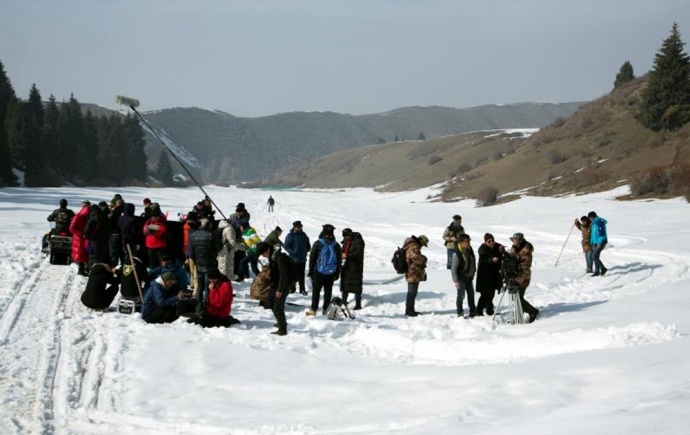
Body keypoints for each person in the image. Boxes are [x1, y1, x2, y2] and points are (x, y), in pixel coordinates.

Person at [258, 242, 296, 336]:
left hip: (283, 286)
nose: (263, 256)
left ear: (268, 250)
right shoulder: (273, 257)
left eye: (263, 253)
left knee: (277, 308)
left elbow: (283, 276)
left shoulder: (280, 258)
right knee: (269, 303)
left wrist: (280, 290)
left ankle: (282, 329)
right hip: (275, 284)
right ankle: (281, 321)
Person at [307, 224, 342, 316]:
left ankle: (313, 309)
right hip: (331, 273)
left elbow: (312, 258)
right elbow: (339, 260)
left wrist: (310, 271)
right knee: (328, 291)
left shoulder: (318, 243)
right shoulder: (336, 245)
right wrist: (337, 273)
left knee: (316, 291)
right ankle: (325, 309)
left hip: (318, 272)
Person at [188, 218, 220, 306]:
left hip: (198, 262)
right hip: (209, 263)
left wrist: (194, 260)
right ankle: (206, 304)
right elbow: (217, 248)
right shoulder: (211, 234)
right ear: (208, 225)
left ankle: (198, 303)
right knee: (207, 285)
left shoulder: (193, 234)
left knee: (199, 284)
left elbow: (191, 249)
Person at [508, 232, 539, 323]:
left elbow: (525, 266)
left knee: (518, 298)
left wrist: (518, 279)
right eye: (513, 240)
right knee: (516, 297)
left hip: (523, 277)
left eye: (514, 240)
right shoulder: (515, 247)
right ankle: (519, 315)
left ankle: (532, 311)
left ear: (519, 241)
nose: (513, 242)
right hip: (516, 276)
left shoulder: (526, 250)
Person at [475, 233, 503, 316]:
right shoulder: (483, 248)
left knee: (491, 294)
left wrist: (501, 247)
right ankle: (479, 310)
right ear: (485, 242)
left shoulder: (496, 246)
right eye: (489, 241)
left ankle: (489, 310)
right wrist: (491, 259)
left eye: (492, 240)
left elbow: (499, 246)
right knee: (484, 294)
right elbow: (484, 258)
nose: (491, 243)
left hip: (493, 275)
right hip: (484, 276)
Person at [450, 234, 477, 318]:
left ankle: (473, 311)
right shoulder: (456, 253)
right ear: (461, 242)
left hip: (468, 276)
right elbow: (453, 268)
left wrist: (472, 273)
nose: (469, 243)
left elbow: (472, 261)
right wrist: (455, 280)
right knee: (461, 295)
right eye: (467, 241)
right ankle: (460, 313)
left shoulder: (469, 249)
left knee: (471, 294)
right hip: (461, 277)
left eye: (469, 241)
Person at [340, 228, 365, 310]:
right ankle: (344, 300)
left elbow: (358, 253)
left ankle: (358, 304)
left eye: (346, 236)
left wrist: (347, 255)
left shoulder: (359, 241)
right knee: (345, 283)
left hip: (356, 266)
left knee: (356, 285)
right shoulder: (346, 241)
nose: (345, 238)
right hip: (347, 265)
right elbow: (343, 249)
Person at [403, 235, 428, 316]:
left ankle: (410, 309)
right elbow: (416, 257)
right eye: (423, 244)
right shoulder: (414, 246)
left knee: (412, 292)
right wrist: (424, 259)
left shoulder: (410, 244)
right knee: (412, 292)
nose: (422, 246)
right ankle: (409, 310)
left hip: (413, 272)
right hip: (412, 273)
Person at [284, 220, 310, 295]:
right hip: (293, 259)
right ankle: (292, 289)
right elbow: (286, 246)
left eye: (301, 227)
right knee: (293, 275)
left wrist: (308, 248)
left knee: (301, 275)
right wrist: (292, 252)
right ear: (295, 227)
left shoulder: (304, 234)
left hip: (302, 259)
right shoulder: (290, 235)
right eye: (298, 227)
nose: (300, 228)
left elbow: (308, 243)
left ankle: (302, 289)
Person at [84, 203, 112, 268]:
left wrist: (87, 236)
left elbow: (87, 230)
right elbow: (110, 228)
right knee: (103, 256)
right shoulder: (105, 217)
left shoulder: (92, 218)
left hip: (94, 240)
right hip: (105, 240)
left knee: (93, 255)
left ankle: (93, 269)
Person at [70, 200, 92, 276]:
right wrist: (81, 233)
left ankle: (85, 268)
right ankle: (81, 270)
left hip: (84, 237)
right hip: (79, 238)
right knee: (81, 253)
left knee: (85, 253)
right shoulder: (79, 216)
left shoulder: (88, 216)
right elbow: (72, 228)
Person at [588, 211, 608, 276]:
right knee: (596, 256)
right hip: (595, 242)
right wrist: (592, 242)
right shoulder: (593, 223)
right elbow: (593, 234)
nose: (590, 219)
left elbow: (602, 233)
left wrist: (599, 243)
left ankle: (603, 268)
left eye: (590, 218)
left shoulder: (599, 222)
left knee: (594, 256)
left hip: (600, 242)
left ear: (592, 217)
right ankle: (597, 271)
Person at [108, 198, 125, 266]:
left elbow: (110, 221)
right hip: (123, 234)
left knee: (114, 254)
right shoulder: (126, 211)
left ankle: (113, 268)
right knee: (122, 253)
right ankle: (123, 267)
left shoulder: (115, 212)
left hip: (114, 234)